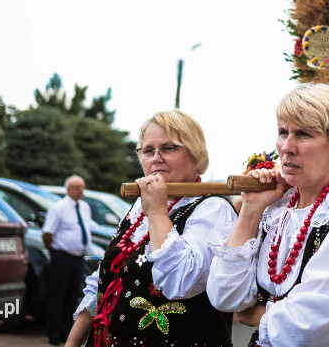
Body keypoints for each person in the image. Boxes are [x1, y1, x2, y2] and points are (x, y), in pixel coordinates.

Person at [207, 83, 329, 347]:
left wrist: (257, 314)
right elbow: (225, 295)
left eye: (303, 134)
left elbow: (312, 326)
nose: (286, 147)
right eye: (283, 132)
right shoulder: (278, 208)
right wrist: (251, 210)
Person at [66, 110, 237, 347]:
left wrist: (157, 212)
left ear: (196, 155)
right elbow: (104, 280)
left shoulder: (213, 209)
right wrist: (73, 342)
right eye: (148, 150)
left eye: (168, 148)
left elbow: (182, 282)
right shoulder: (140, 205)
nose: (156, 158)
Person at [42, 174, 92, 345]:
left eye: (83, 187)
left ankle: (66, 332)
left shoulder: (84, 207)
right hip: (62, 257)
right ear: (69, 189)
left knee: (72, 296)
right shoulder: (59, 207)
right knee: (58, 296)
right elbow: (47, 234)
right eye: (77, 187)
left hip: (78, 259)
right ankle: (54, 333)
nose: (81, 190)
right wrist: (55, 253)